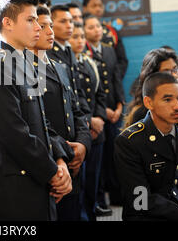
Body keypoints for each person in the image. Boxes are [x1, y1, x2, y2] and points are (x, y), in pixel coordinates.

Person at [0, 0, 72, 220]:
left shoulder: (22, 63)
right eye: (30, 20)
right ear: (7, 23)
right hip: (20, 188)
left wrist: (59, 160)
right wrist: (52, 172)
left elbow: (41, 122)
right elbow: (13, 134)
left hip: (38, 176)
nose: (38, 27)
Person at [115, 72, 178, 220]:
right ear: (149, 103)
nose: (177, 106)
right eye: (167, 99)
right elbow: (141, 202)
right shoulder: (129, 141)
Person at [28, 6, 90, 221]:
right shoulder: (26, 70)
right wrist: (61, 151)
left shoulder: (59, 66)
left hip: (73, 157)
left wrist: (82, 143)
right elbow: (37, 119)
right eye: (42, 26)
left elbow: (76, 110)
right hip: (53, 159)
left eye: (51, 26)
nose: (49, 31)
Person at [83, 13, 125, 213]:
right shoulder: (82, 51)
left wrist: (120, 105)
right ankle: (100, 199)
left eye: (98, 26)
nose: (96, 30)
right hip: (98, 112)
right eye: (90, 27)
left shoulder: (109, 50)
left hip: (114, 111)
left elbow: (116, 78)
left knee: (116, 155)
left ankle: (117, 194)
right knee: (98, 160)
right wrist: (104, 111)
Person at [69, 23, 108, 221]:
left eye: (82, 36)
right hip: (83, 128)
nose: (79, 40)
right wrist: (88, 121)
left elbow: (100, 93)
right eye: (75, 36)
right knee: (82, 183)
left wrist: (100, 118)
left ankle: (92, 213)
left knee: (93, 179)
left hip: (97, 129)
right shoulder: (68, 65)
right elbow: (75, 99)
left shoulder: (88, 62)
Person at [47, 5, 91, 125]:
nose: (69, 25)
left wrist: (86, 117)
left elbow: (77, 88)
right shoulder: (46, 52)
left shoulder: (68, 49)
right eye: (63, 21)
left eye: (71, 21)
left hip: (77, 118)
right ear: (50, 24)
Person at [82, 0, 128, 79]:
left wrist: (116, 77)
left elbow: (122, 60)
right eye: (94, 6)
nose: (98, 9)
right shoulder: (78, 31)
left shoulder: (112, 31)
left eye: (100, 6)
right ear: (84, 8)